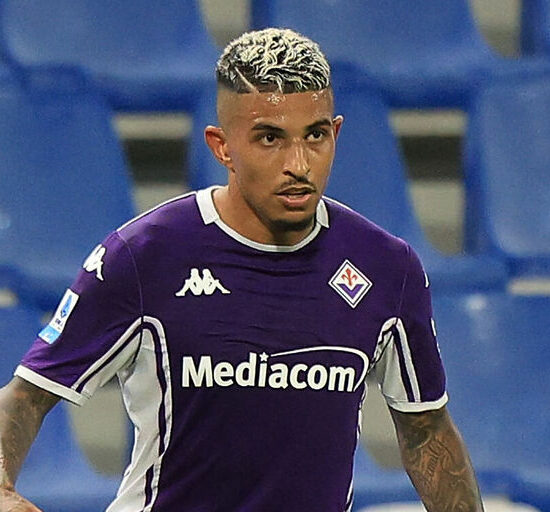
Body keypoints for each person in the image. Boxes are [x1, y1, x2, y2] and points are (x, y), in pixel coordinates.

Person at [0, 28, 484, 512]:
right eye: (270, 138)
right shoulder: (143, 257)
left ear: (335, 133)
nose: (299, 164)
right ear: (222, 147)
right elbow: (26, 396)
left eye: (315, 136)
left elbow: (427, 431)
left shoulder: (388, 268)